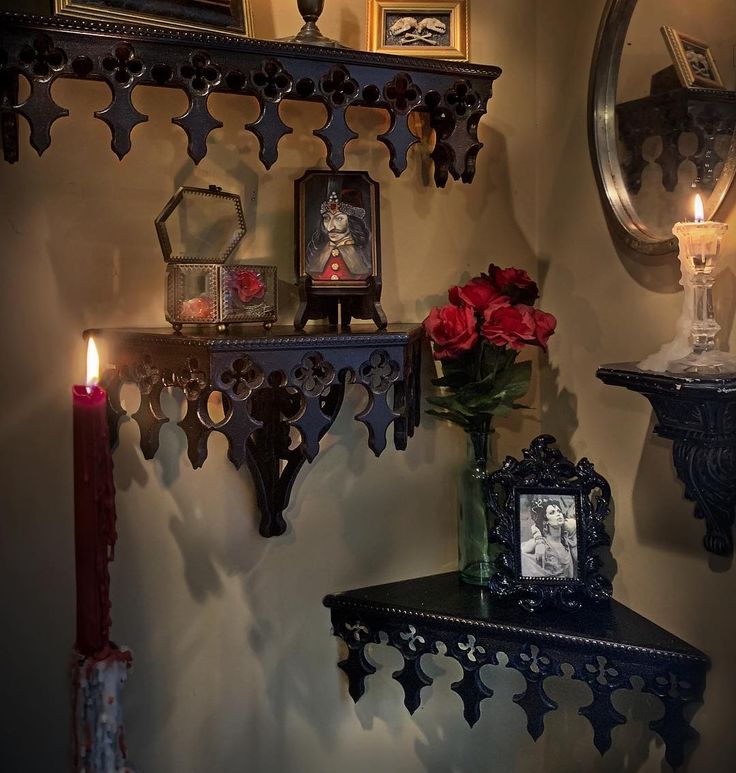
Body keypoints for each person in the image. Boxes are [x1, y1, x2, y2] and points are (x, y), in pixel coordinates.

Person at [306, 188, 373, 281]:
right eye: (326, 218)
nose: (330, 228)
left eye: (339, 219)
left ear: (352, 221)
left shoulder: (366, 253)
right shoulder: (314, 250)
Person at [520, 496, 577, 578]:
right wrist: (539, 542)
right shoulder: (540, 543)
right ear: (545, 521)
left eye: (559, 511)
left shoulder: (567, 540)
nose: (558, 514)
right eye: (552, 513)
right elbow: (522, 553)